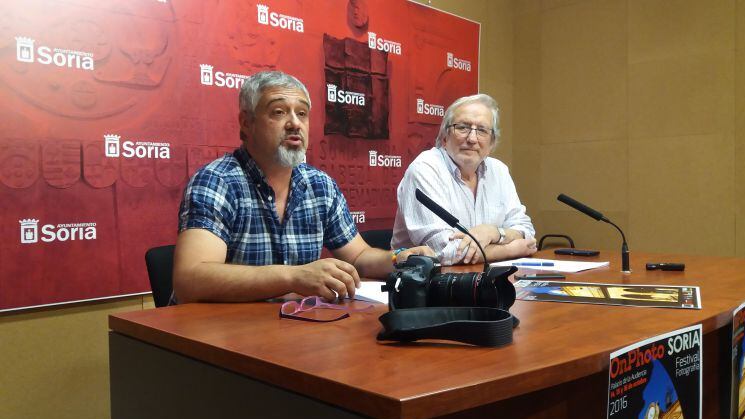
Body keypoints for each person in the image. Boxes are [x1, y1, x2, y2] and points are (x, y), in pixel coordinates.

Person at [173, 70, 432, 303]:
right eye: (278, 112)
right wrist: (294, 277)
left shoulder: (319, 185)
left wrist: (399, 258)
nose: (295, 123)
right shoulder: (217, 181)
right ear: (246, 123)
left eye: (302, 113)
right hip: (218, 332)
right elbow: (191, 280)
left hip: (292, 327)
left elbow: (358, 256)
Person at [391, 93, 537, 265]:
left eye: (482, 130)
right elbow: (442, 252)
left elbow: (526, 231)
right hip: (425, 279)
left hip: (482, 276)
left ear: (491, 144)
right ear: (445, 137)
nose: (472, 139)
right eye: (462, 128)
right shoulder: (425, 168)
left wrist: (494, 233)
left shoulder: (499, 171)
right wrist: (510, 250)